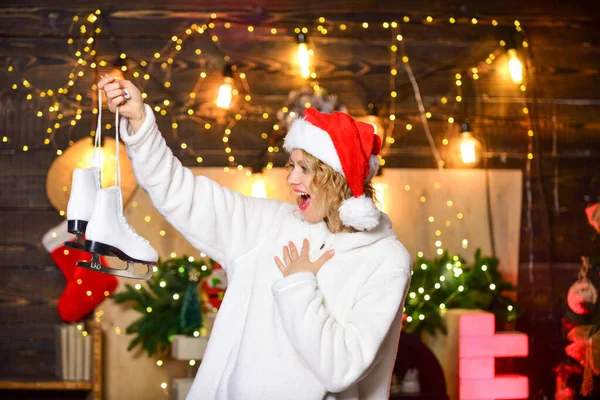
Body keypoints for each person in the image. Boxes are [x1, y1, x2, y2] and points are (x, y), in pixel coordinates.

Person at [99, 76, 412, 400]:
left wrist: (300, 284)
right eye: (291, 165)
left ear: (335, 177)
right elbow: (183, 194)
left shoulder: (386, 260)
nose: (290, 179)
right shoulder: (269, 224)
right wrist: (140, 123)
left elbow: (341, 369)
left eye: (305, 169)